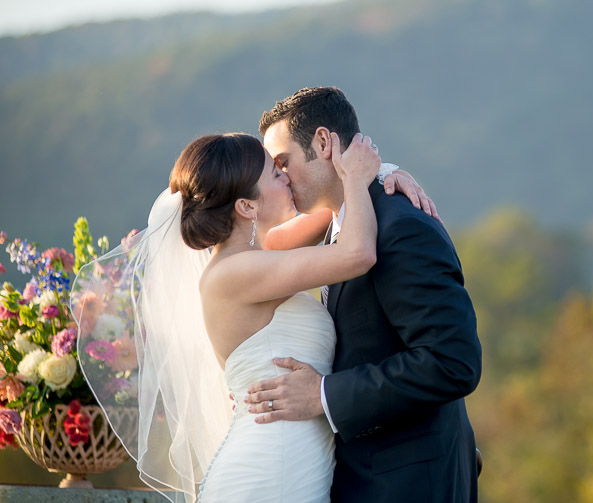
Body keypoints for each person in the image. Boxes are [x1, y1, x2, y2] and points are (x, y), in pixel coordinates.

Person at [72, 131, 434, 503]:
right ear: (247, 206)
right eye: (275, 173)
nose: (287, 177)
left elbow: (337, 209)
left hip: (296, 462)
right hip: (269, 471)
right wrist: (359, 177)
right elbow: (357, 253)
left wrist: (384, 175)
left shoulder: (262, 253)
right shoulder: (231, 275)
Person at [247, 87, 482, 503]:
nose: (281, 178)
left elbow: (453, 361)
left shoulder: (400, 226)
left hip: (408, 484)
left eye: (284, 163)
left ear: (323, 143)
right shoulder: (341, 223)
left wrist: (322, 394)